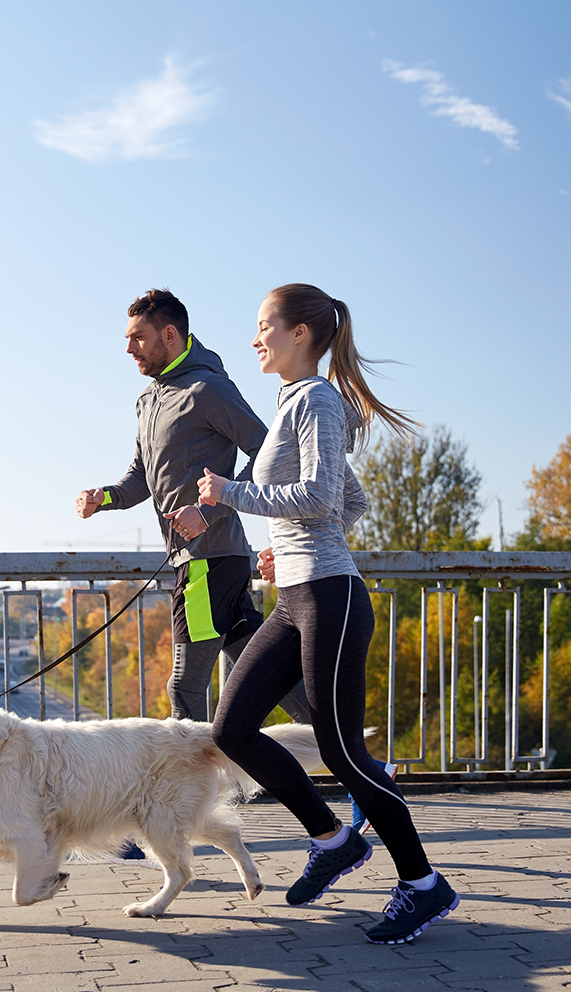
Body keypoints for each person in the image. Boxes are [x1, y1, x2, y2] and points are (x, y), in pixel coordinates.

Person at [199, 283, 460, 945]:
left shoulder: (316, 399)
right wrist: (283, 549)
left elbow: (317, 494)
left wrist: (231, 493)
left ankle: (423, 885)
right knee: (232, 728)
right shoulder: (297, 402)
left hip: (331, 599)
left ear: (301, 335)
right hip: (297, 593)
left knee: (344, 752)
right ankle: (333, 838)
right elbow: (351, 502)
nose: (256, 338)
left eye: (264, 326)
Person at [76, 288, 311, 725]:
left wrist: (208, 511)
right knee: (268, 675)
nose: (129, 348)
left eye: (138, 337)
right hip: (207, 560)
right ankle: (362, 764)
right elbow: (141, 478)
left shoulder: (208, 389)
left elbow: (267, 453)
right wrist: (102, 498)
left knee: (184, 687)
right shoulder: (148, 401)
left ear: (169, 334)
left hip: (208, 560)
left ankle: (199, 793)